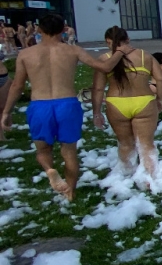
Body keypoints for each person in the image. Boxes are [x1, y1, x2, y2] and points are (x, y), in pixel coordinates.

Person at [2, 13, 127, 200]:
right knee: (69, 151)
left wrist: (6, 111)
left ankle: (49, 169)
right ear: (63, 29)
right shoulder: (73, 51)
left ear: (39, 30)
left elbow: (17, 86)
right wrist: (120, 51)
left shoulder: (26, 54)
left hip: (40, 105)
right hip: (67, 104)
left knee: (43, 150)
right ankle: (70, 192)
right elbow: (105, 67)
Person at [92, 27, 162, 178]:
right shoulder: (144, 55)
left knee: (125, 143)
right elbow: (160, 79)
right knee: (146, 144)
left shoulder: (105, 59)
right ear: (128, 40)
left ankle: (126, 175)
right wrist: (160, 99)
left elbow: (98, 88)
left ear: (108, 42)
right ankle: (151, 177)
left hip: (117, 103)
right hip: (144, 101)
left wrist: (97, 111)